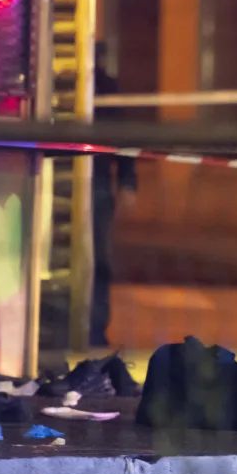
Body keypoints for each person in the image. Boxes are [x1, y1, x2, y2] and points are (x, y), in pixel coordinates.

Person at [90, 42, 138, 347]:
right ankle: (95, 329)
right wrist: (127, 180)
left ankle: (94, 328)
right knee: (98, 260)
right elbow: (124, 137)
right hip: (97, 183)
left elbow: (122, 136)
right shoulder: (108, 87)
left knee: (99, 261)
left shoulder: (106, 88)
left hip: (96, 183)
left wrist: (127, 179)